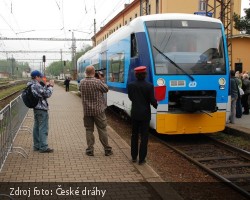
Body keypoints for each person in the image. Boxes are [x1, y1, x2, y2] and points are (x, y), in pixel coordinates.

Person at [80, 66, 113, 156]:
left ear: (86, 72)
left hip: (87, 111)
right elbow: (106, 89)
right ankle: (107, 149)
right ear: (94, 72)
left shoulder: (82, 82)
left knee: (89, 130)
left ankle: (90, 150)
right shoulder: (97, 82)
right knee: (102, 129)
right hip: (98, 111)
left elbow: (80, 91)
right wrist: (102, 79)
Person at [128, 66, 158, 165]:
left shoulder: (131, 85)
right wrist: (156, 105)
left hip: (135, 113)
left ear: (136, 75)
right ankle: (141, 159)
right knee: (144, 136)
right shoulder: (149, 86)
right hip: (145, 115)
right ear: (145, 74)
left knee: (134, 135)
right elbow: (152, 100)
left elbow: (131, 97)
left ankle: (133, 157)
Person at [28, 70, 54, 153]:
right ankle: (43, 147)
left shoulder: (31, 84)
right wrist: (51, 87)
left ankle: (37, 145)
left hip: (36, 108)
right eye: (40, 77)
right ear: (36, 77)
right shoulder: (36, 85)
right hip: (41, 109)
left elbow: (41, 92)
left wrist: (47, 86)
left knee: (36, 127)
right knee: (43, 128)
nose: (41, 78)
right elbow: (47, 94)